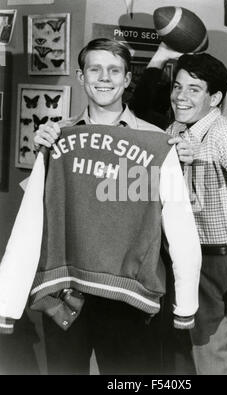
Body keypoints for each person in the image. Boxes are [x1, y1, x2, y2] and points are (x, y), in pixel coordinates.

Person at [0, 38, 202, 375]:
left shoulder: (156, 142)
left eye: (114, 71)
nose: (104, 78)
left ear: (126, 80)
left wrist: (185, 303)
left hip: (129, 294)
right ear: (81, 77)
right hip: (65, 291)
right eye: (95, 69)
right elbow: (31, 220)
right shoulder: (55, 138)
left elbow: (180, 225)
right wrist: (8, 298)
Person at [131, 43, 227, 375]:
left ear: (214, 98)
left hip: (216, 269)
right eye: (178, 86)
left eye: (194, 89)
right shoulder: (173, 130)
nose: (180, 96)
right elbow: (136, 116)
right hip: (172, 261)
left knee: (213, 366)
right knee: (175, 368)